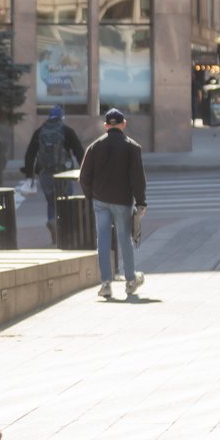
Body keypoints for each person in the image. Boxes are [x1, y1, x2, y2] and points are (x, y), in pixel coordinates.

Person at [78, 108, 147, 299]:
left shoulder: (94, 147)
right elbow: (138, 179)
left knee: (103, 240)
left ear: (106, 126)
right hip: (123, 201)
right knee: (125, 238)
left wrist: (91, 195)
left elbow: (83, 177)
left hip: (100, 200)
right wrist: (141, 202)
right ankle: (131, 280)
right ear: (124, 124)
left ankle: (106, 283)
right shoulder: (133, 147)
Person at [22, 105, 86, 244]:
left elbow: (30, 154)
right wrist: (84, 169)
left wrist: (29, 174)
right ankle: (66, 233)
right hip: (64, 173)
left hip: (45, 174)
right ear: (62, 117)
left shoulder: (40, 131)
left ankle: (52, 221)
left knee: (52, 202)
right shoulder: (67, 131)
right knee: (66, 201)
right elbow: (79, 151)